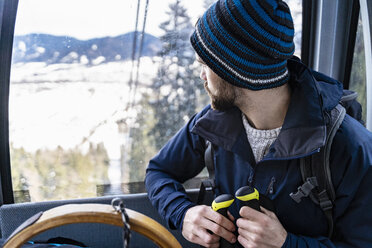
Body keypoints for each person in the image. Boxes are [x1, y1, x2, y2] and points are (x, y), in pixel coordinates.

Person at [145, 0, 372, 247]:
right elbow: (158, 171)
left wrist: (287, 243)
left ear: (235, 69)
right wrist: (183, 213)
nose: (201, 76)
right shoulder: (211, 124)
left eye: (205, 65)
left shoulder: (350, 148)